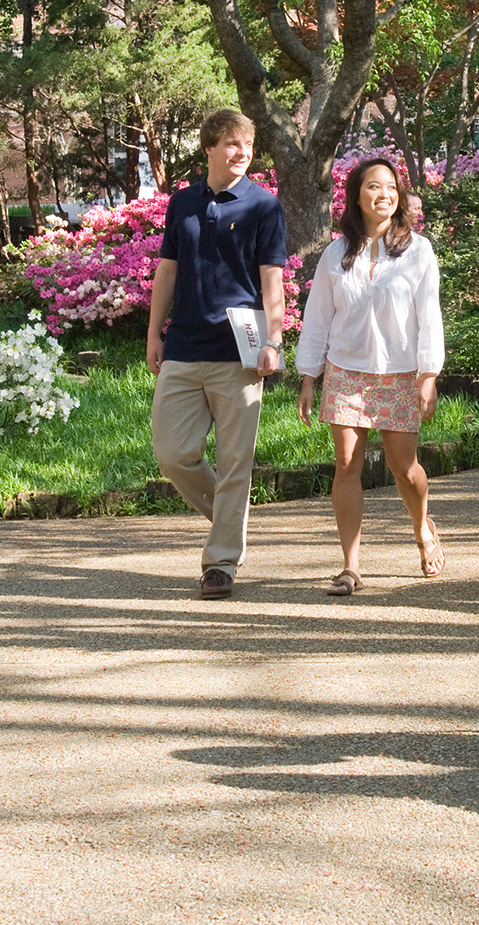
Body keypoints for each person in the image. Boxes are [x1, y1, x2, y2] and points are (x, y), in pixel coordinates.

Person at [147, 109, 288, 599]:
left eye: (246, 143)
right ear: (208, 147)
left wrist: (274, 340)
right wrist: (153, 334)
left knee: (235, 463)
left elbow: (273, 281)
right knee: (173, 454)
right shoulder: (181, 203)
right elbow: (166, 272)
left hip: (240, 353)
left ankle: (221, 561)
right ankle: (231, 520)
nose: (241, 151)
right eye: (231, 143)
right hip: (184, 346)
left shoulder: (264, 206)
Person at [295, 160, 447, 594]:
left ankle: (422, 530)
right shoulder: (334, 254)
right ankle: (351, 567)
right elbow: (317, 319)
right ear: (357, 196)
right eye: (373, 186)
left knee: (405, 469)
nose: (384, 193)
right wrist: (309, 376)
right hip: (345, 372)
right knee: (346, 464)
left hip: (398, 374)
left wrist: (428, 375)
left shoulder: (419, 251)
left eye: (391, 187)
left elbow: (429, 318)